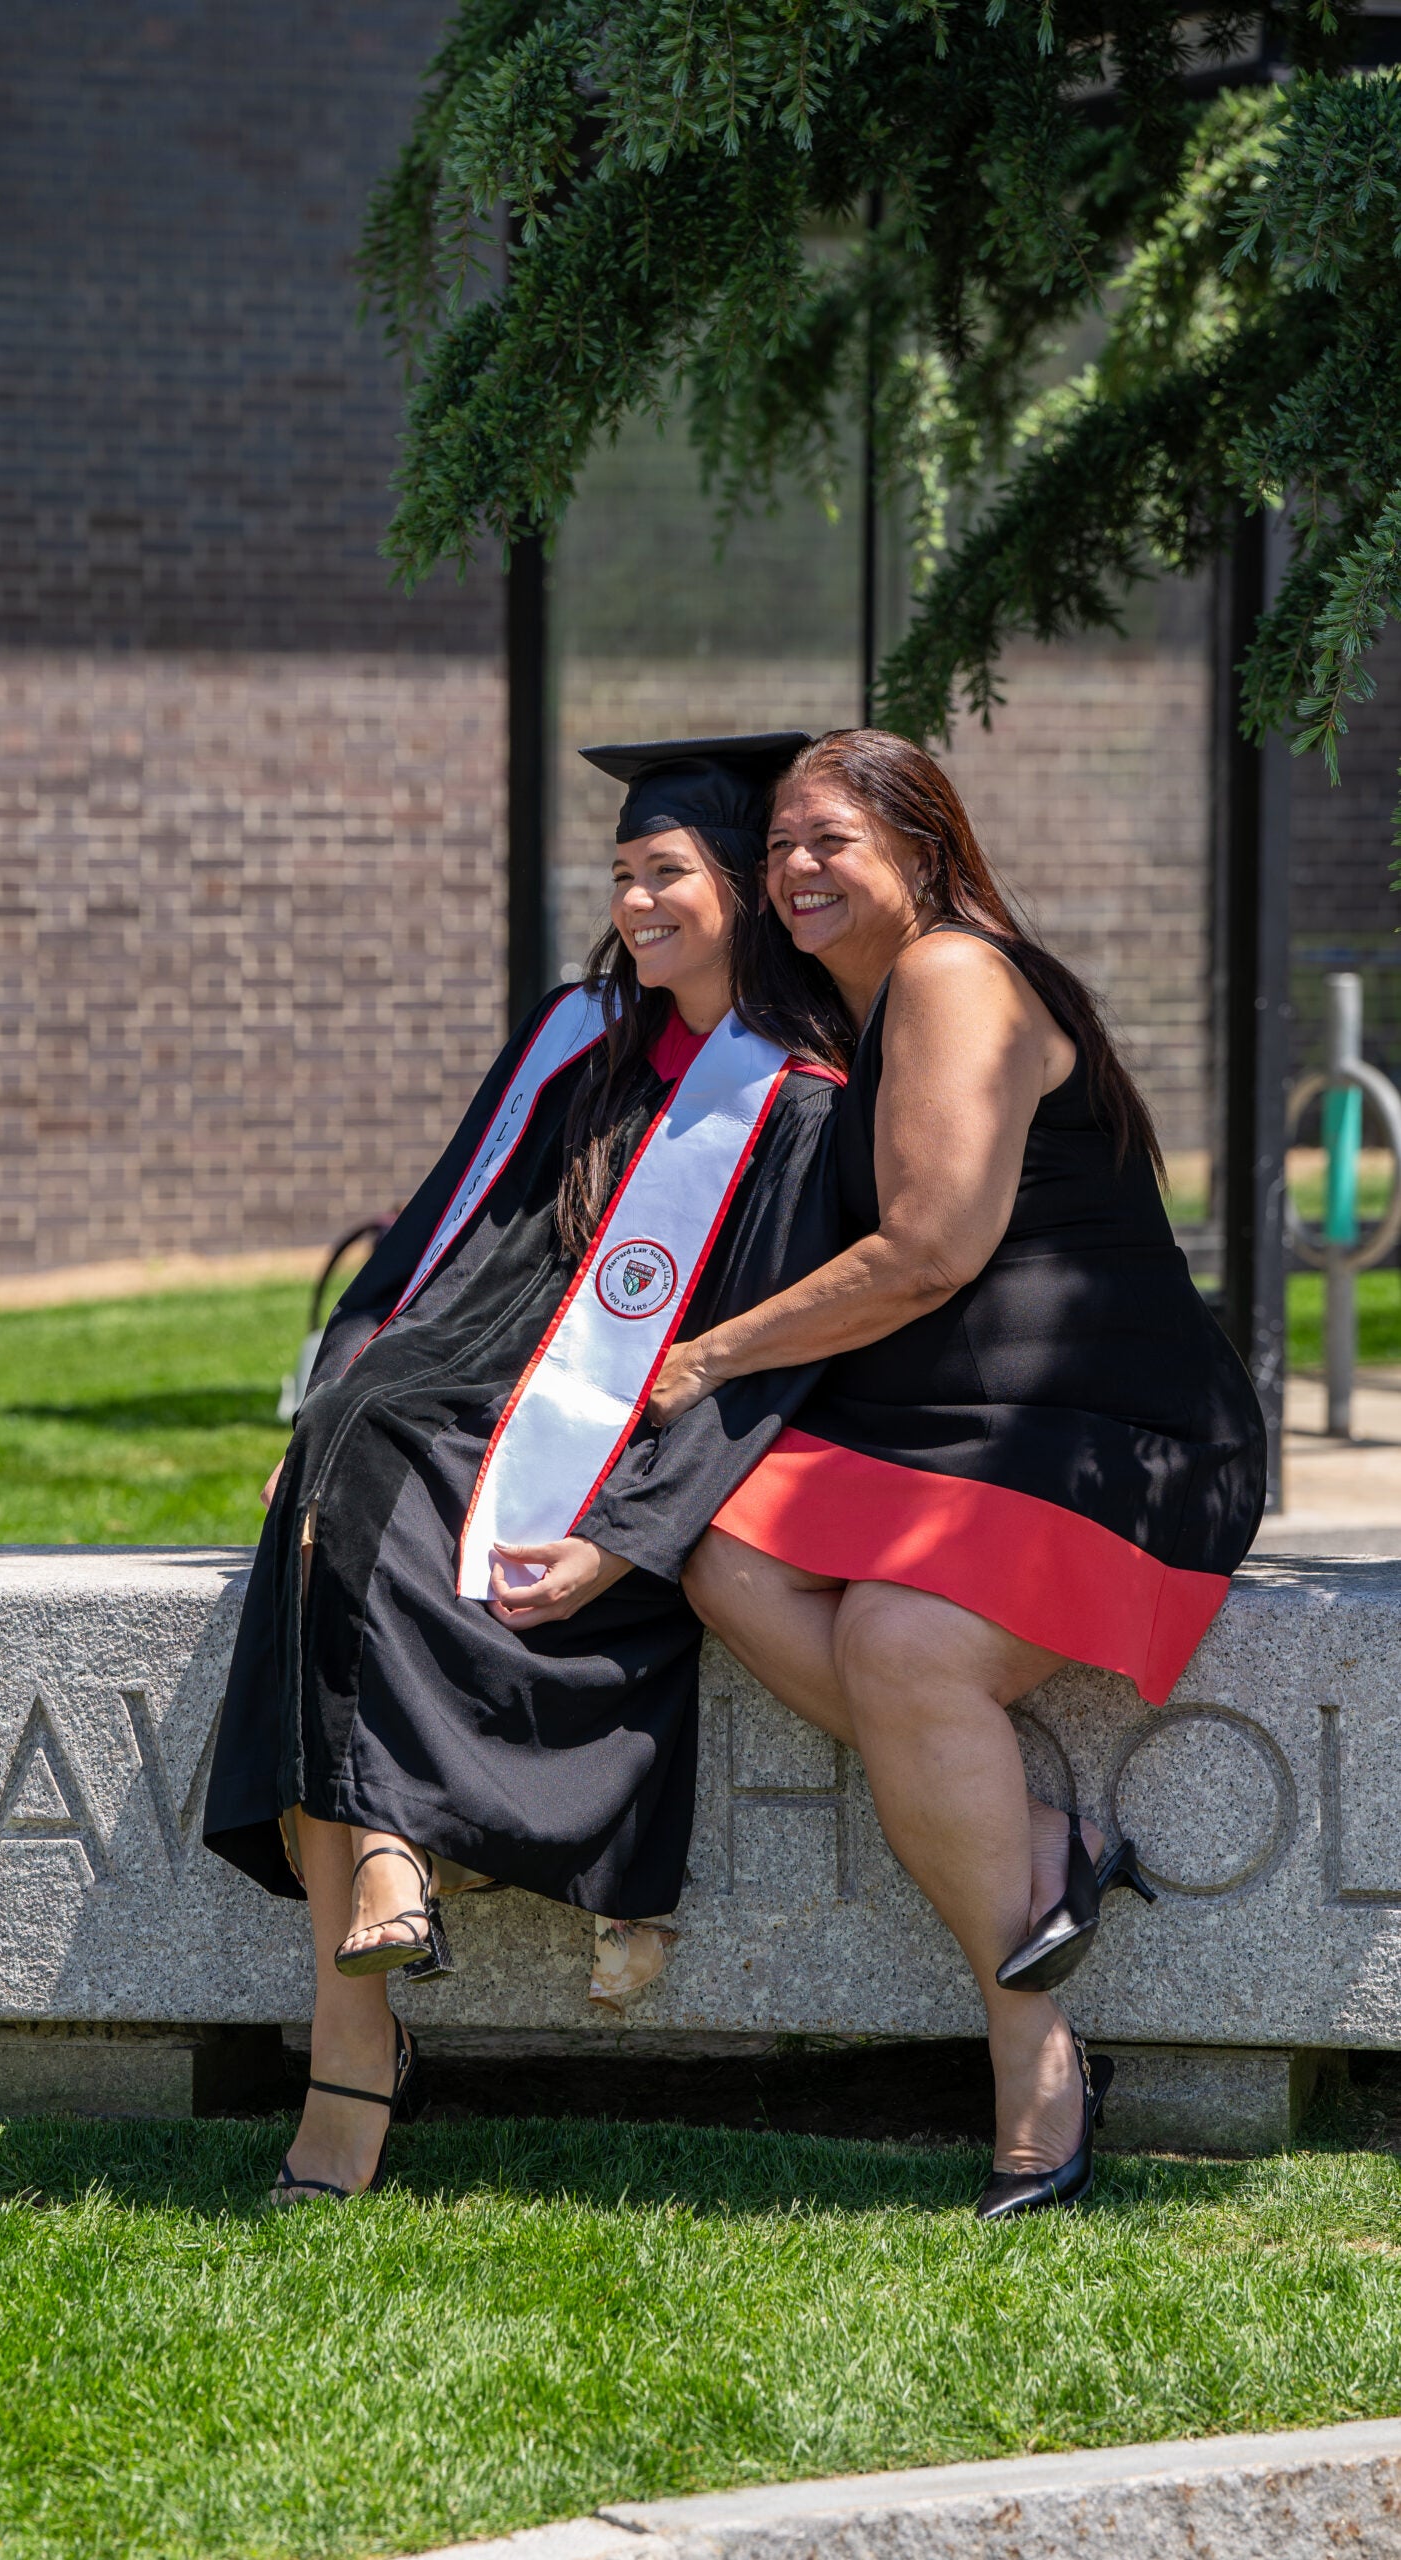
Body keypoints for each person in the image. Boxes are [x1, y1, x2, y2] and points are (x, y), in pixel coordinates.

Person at [204, 734, 847, 2206]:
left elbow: (766, 1358)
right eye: (623, 874)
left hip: (626, 1413)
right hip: (477, 1358)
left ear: (747, 889)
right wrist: (338, 1389)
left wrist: (628, 1531)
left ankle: (358, 2018)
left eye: (667, 873)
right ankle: (381, 1891)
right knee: (348, 1447)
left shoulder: (802, 1094)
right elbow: (433, 1226)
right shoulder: (579, 1039)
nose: (634, 903)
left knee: (373, 1466)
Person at [654, 729, 1266, 2221]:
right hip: (964, 1425)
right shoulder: (858, 1013)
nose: (797, 867)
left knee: (900, 1638)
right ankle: (1046, 1839)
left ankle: (1028, 2050)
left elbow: (929, 1252)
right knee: (709, 1537)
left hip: (1118, 1431)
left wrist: (714, 1357)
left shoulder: (953, 975)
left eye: (832, 840)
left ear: (923, 850)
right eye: (781, 843)